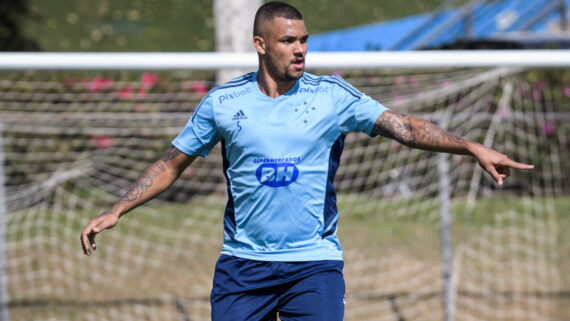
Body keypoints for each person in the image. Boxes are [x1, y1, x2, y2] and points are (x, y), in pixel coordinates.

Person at [80, 2, 534, 320]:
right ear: (260, 44)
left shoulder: (332, 97)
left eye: (304, 40)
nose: (300, 49)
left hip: (312, 265)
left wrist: (471, 147)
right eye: (288, 40)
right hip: (244, 266)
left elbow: (405, 126)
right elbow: (172, 163)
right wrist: (118, 208)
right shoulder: (222, 103)